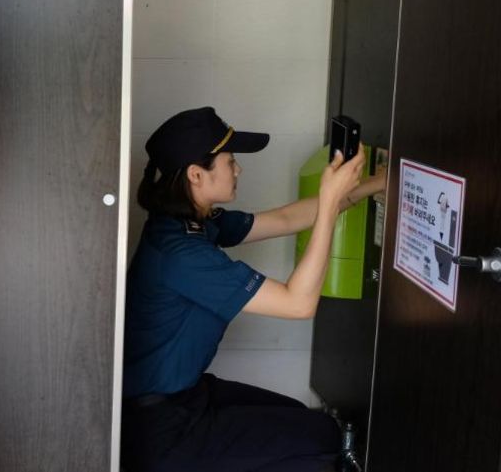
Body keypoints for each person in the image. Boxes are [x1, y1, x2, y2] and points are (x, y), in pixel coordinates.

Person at [121, 107, 385, 472]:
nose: (238, 169)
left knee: (307, 421)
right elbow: (299, 304)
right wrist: (327, 206)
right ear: (197, 174)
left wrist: (374, 184)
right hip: (162, 429)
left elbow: (285, 218)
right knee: (320, 446)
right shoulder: (182, 256)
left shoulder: (186, 221)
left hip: (187, 396)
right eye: (231, 161)